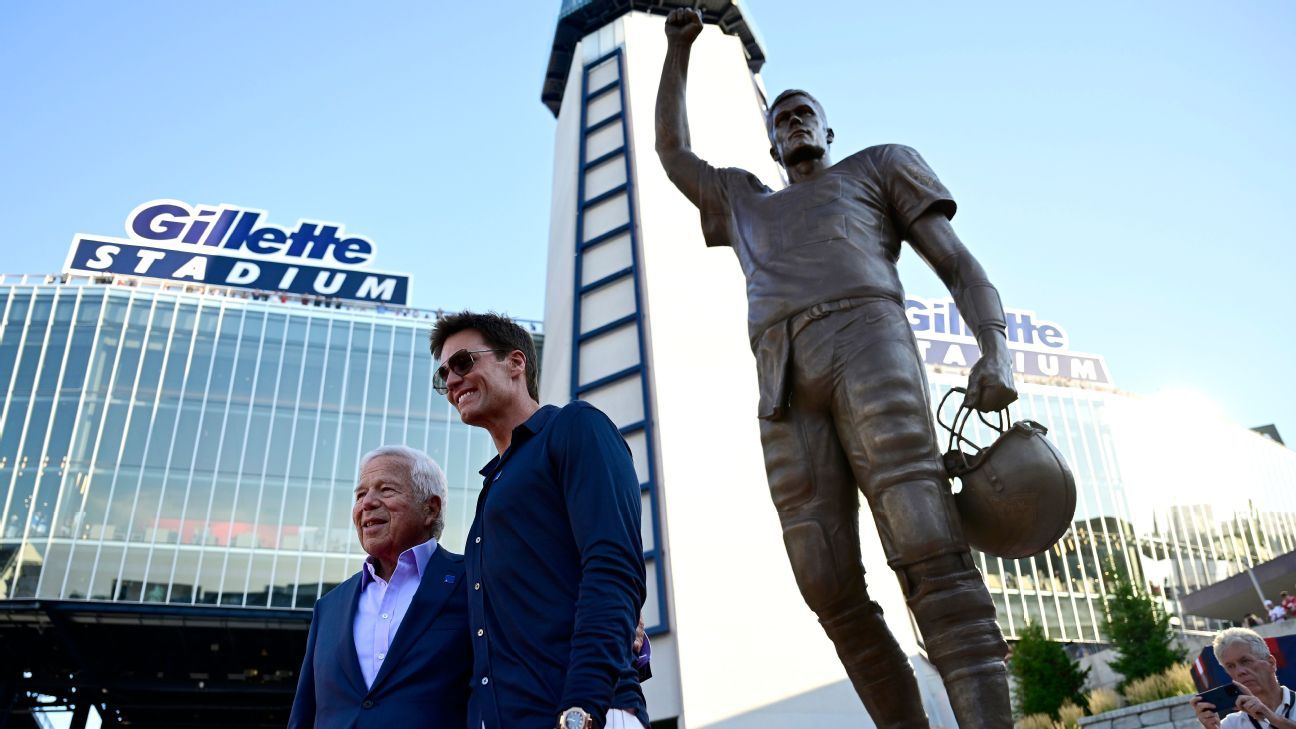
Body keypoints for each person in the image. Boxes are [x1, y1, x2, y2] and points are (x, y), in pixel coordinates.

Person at [654, 9, 1019, 728]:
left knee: (927, 546)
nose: (793, 121)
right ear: (770, 141)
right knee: (824, 580)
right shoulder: (742, 199)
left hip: (868, 344)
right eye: (781, 117)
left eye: (805, 113)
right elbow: (672, 151)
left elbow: (957, 263)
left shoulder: (877, 166)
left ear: (828, 131)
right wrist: (677, 52)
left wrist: (996, 345)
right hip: (782, 377)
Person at [429, 312, 648, 729]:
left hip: (583, 712)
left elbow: (613, 567)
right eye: (443, 375)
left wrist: (582, 707)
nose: (452, 381)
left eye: (463, 363)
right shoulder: (492, 485)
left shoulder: (574, 426)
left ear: (516, 362)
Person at [288, 446, 470, 729]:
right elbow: (305, 713)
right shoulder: (329, 607)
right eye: (360, 495)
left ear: (430, 509)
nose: (367, 503)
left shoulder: (473, 582)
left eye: (386, 490)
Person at [1191, 627, 1295, 729]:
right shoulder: (1230, 724)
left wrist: (1270, 716)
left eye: (1245, 661)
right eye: (1231, 666)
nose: (1239, 671)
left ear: (1271, 663)